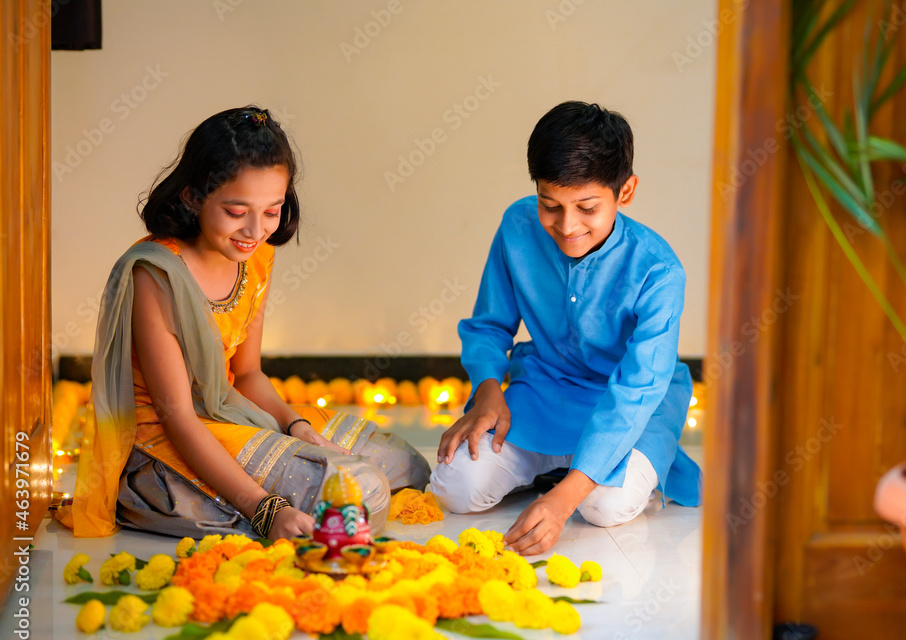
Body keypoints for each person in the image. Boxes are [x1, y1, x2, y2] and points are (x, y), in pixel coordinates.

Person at [60, 106, 430, 540]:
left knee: (408, 467)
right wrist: (265, 509)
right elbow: (177, 414)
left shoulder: (258, 255)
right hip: (166, 439)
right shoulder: (155, 275)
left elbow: (249, 374)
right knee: (363, 492)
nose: (255, 231)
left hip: (231, 412)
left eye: (272, 211)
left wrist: (299, 428)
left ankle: (265, 497)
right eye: (237, 211)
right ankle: (158, 498)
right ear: (193, 197)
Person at [429, 101, 702, 556]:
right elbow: (489, 324)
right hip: (545, 390)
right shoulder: (517, 225)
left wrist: (561, 503)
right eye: (550, 205)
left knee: (604, 508)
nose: (567, 226)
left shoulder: (659, 271)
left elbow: (636, 390)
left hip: (633, 407)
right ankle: (559, 467)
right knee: (455, 487)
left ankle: (576, 474)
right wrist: (489, 392)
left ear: (626, 191)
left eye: (587, 207)